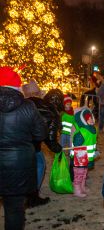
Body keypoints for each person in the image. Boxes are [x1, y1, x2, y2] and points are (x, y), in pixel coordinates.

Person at [0, 66, 47, 230]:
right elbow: (40, 134)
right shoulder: (28, 106)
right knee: (14, 210)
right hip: (18, 165)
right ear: (16, 85)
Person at [22, 83, 64, 208]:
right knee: (40, 164)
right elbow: (50, 138)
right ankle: (32, 196)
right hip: (32, 145)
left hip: (17, 140)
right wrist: (57, 148)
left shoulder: (30, 101)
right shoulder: (52, 113)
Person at [70, 107, 98, 198]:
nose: (90, 119)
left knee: (85, 172)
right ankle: (77, 188)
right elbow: (77, 145)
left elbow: (92, 142)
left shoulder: (93, 130)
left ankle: (82, 186)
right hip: (80, 157)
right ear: (83, 120)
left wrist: (95, 151)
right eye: (88, 118)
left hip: (88, 156)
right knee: (79, 173)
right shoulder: (81, 132)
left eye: (91, 117)